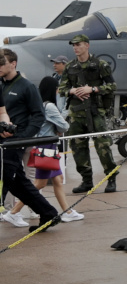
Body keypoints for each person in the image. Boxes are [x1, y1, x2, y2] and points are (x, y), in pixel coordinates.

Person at [2, 75, 79, 226]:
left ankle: (65, 212)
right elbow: (64, 126)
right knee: (35, 182)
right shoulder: (49, 106)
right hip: (46, 148)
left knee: (56, 180)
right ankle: (15, 212)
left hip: (36, 145)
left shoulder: (35, 103)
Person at [0, 49, 63, 231]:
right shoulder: (1, 85)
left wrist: (24, 137)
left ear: (13, 64)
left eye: (2, 64)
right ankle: (48, 213)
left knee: (8, 179)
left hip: (16, 142)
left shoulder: (27, 86)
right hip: (4, 141)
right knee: (17, 182)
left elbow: (38, 115)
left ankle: (47, 213)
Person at [56, 34, 118, 193]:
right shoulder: (70, 67)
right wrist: (73, 91)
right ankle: (86, 180)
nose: (76, 48)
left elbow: (112, 86)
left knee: (103, 147)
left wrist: (93, 89)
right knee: (78, 148)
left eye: (79, 44)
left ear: (87, 45)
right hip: (76, 114)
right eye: (74, 45)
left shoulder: (100, 64)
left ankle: (111, 178)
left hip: (95, 112)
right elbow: (61, 89)